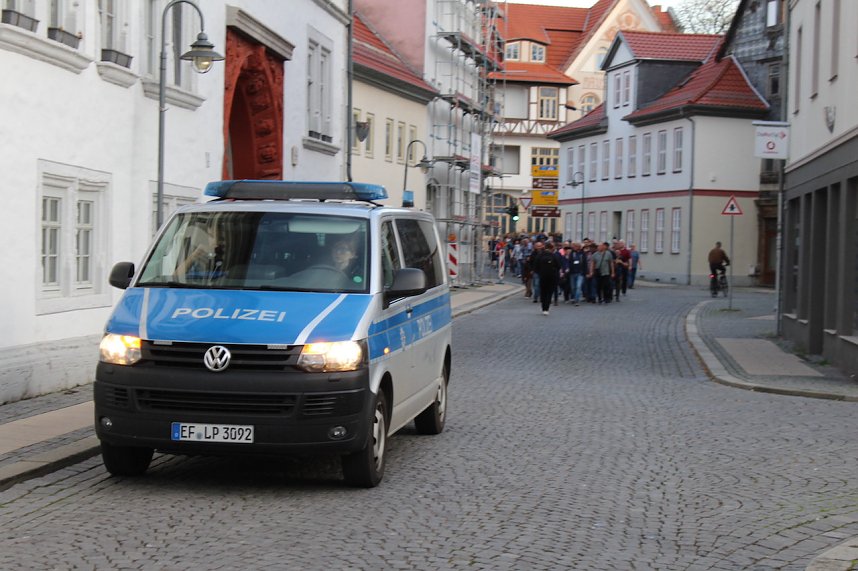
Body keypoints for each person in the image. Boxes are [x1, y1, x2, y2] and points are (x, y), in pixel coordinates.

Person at [533, 241, 560, 315]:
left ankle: (543, 307)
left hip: (542, 276)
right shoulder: (554, 255)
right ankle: (547, 308)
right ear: (552, 248)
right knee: (549, 292)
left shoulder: (540, 255)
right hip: (552, 277)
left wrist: (540, 272)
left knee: (543, 291)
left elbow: (535, 266)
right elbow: (558, 266)